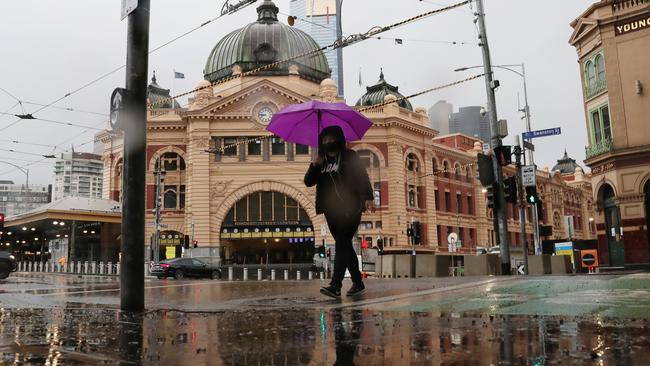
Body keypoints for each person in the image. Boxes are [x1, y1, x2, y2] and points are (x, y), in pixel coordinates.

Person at [304, 126, 373, 299]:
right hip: (331, 209)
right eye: (324, 140)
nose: (327, 142)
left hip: (351, 205)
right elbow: (308, 182)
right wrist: (315, 166)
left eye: (330, 139)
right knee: (345, 245)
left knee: (342, 242)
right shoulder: (321, 160)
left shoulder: (350, 156)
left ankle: (336, 285)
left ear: (338, 139)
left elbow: (362, 176)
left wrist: (368, 197)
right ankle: (358, 281)